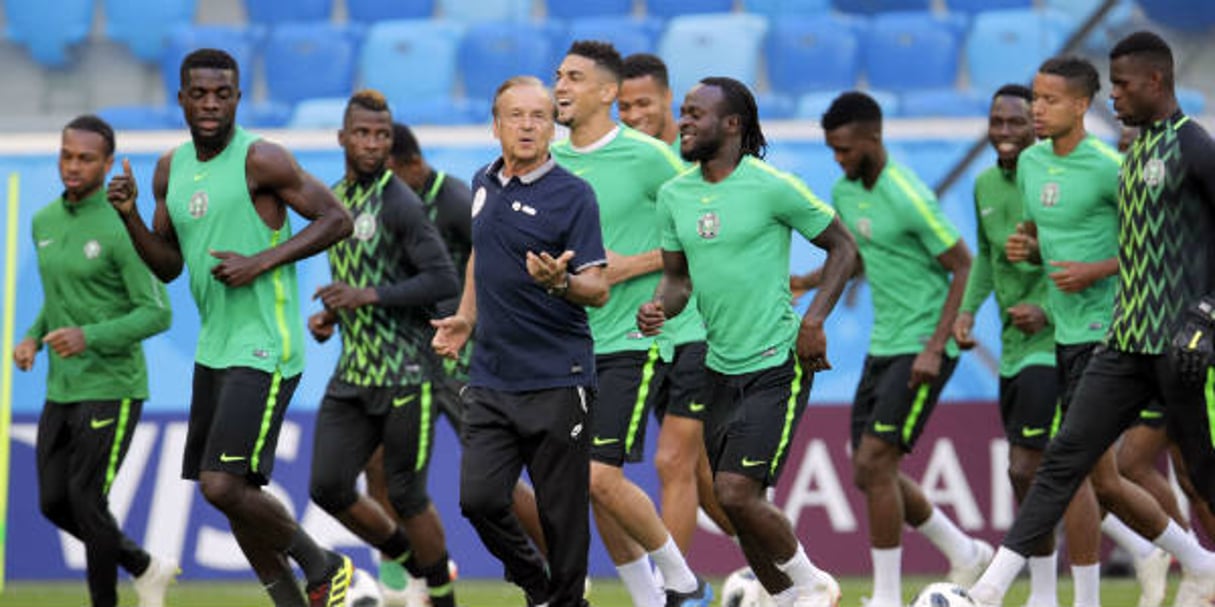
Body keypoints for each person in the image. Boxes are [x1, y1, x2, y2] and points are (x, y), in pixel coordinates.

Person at [969, 31, 1215, 607]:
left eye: (1123, 85)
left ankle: (1201, 567)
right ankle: (986, 591)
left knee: (1202, 476)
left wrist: (1206, 310)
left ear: (1156, 82)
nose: (1115, 96)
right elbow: (1141, 245)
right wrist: (1034, 244)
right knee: (1063, 461)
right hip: (1125, 341)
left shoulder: (1193, 148)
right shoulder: (1138, 149)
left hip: (1181, 347)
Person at [106, 48, 355, 607]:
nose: (211, 103)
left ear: (239, 98)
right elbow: (169, 265)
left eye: (223, 94)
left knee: (222, 484)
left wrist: (260, 260)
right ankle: (295, 600)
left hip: (266, 345)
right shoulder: (170, 168)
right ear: (182, 99)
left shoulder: (261, 160)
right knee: (230, 493)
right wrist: (129, 219)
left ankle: (324, 565)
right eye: (200, 93)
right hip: (214, 346)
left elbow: (337, 219)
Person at [637, 76, 854, 607]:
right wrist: (658, 308)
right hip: (718, 366)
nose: (683, 122)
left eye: (695, 113)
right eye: (683, 112)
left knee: (736, 491)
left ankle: (811, 586)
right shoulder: (673, 195)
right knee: (734, 503)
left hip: (776, 361)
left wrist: (814, 321)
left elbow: (844, 248)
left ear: (732, 124)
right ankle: (784, 600)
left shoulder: (772, 185)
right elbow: (678, 280)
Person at [795, 91, 987, 607]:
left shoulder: (907, 194)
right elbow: (858, 256)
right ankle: (965, 551)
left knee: (876, 462)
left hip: (923, 345)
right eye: (832, 150)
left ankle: (885, 596)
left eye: (845, 149)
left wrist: (935, 344)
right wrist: (807, 281)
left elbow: (963, 265)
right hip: (884, 345)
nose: (838, 160)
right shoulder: (846, 188)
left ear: (873, 139)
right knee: (867, 466)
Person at [432, 75, 609, 607]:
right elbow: (479, 258)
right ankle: (538, 586)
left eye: (539, 115)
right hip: (490, 379)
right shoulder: (482, 180)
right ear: (496, 125)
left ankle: (566, 601)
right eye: (516, 115)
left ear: (553, 127)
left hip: (559, 378)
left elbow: (598, 289)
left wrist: (562, 282)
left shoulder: (574, 195)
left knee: (562, 516)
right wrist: (466, 318)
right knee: (479, 499)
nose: (528, 125)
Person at [550, 40, 710, 607]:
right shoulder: (549, 162)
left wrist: (628, 267)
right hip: (572, 350)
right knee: (599, 488)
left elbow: (703, 229)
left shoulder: (648, 157)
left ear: (606, 92)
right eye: (557, 76)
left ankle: (685, 587)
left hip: (643, 336)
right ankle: (655, 595)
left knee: (611, 474)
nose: (560, 87)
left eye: (573, 77)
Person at [371, 121, 547, 604]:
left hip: (462, 357)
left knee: (496, 478)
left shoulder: (451, 200)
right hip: (405, 355)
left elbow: (500, 261)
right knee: (378, 463)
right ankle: (414, 568)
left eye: (384, 169)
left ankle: (559, 565)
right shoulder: (384, 201)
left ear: (406, 164)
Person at [304, 90, 460, 607]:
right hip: (353, 373)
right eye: (363, 134)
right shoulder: (331, 200)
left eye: (381, 136)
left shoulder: (401, 203)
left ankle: (441, 595)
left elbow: (441, 280)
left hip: (406, 374)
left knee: (407, 496)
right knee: (327, 486)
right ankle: (415, 563)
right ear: (342, 138)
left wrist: (366, 296)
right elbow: (359, 277)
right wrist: (333, 314)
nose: (372, 144)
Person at [14, 115, 175, 607]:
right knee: (52, 503)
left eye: (86, 158)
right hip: (61, 386)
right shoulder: (43, 220)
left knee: (87, 503)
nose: (73, 166)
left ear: (107, 164)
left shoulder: (121, 226)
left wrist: (90, 337)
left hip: (113, 384)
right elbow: (63, 296)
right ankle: (144, 566)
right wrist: (33, 337)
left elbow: (157, 312)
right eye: (67, 155)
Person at [953, 84, 1068, 607]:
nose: (1002, 133)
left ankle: (1031, 589)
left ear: (1035, 125)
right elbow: (986, 258)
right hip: (1014, 347)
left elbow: (1086, 252)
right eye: (995, 122)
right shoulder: (982, 184)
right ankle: (1153, 549)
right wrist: (967, 310)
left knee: (1028, 468)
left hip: (1057, 340)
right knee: (1041, 472)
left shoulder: (1052, 180)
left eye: (1014, 123)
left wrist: (1046, 305)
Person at [618, 53, 737, 553]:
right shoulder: (617, 157)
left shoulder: (696, 155)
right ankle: (789, 565)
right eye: (623, 106)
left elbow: (707, 240)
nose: (634, 114)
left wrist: (628, 266)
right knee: (709, 483)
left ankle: (677, 590)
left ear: (669, 98)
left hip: (695, 330)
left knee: (672, 462)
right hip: (640, 334)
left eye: (644, 102)